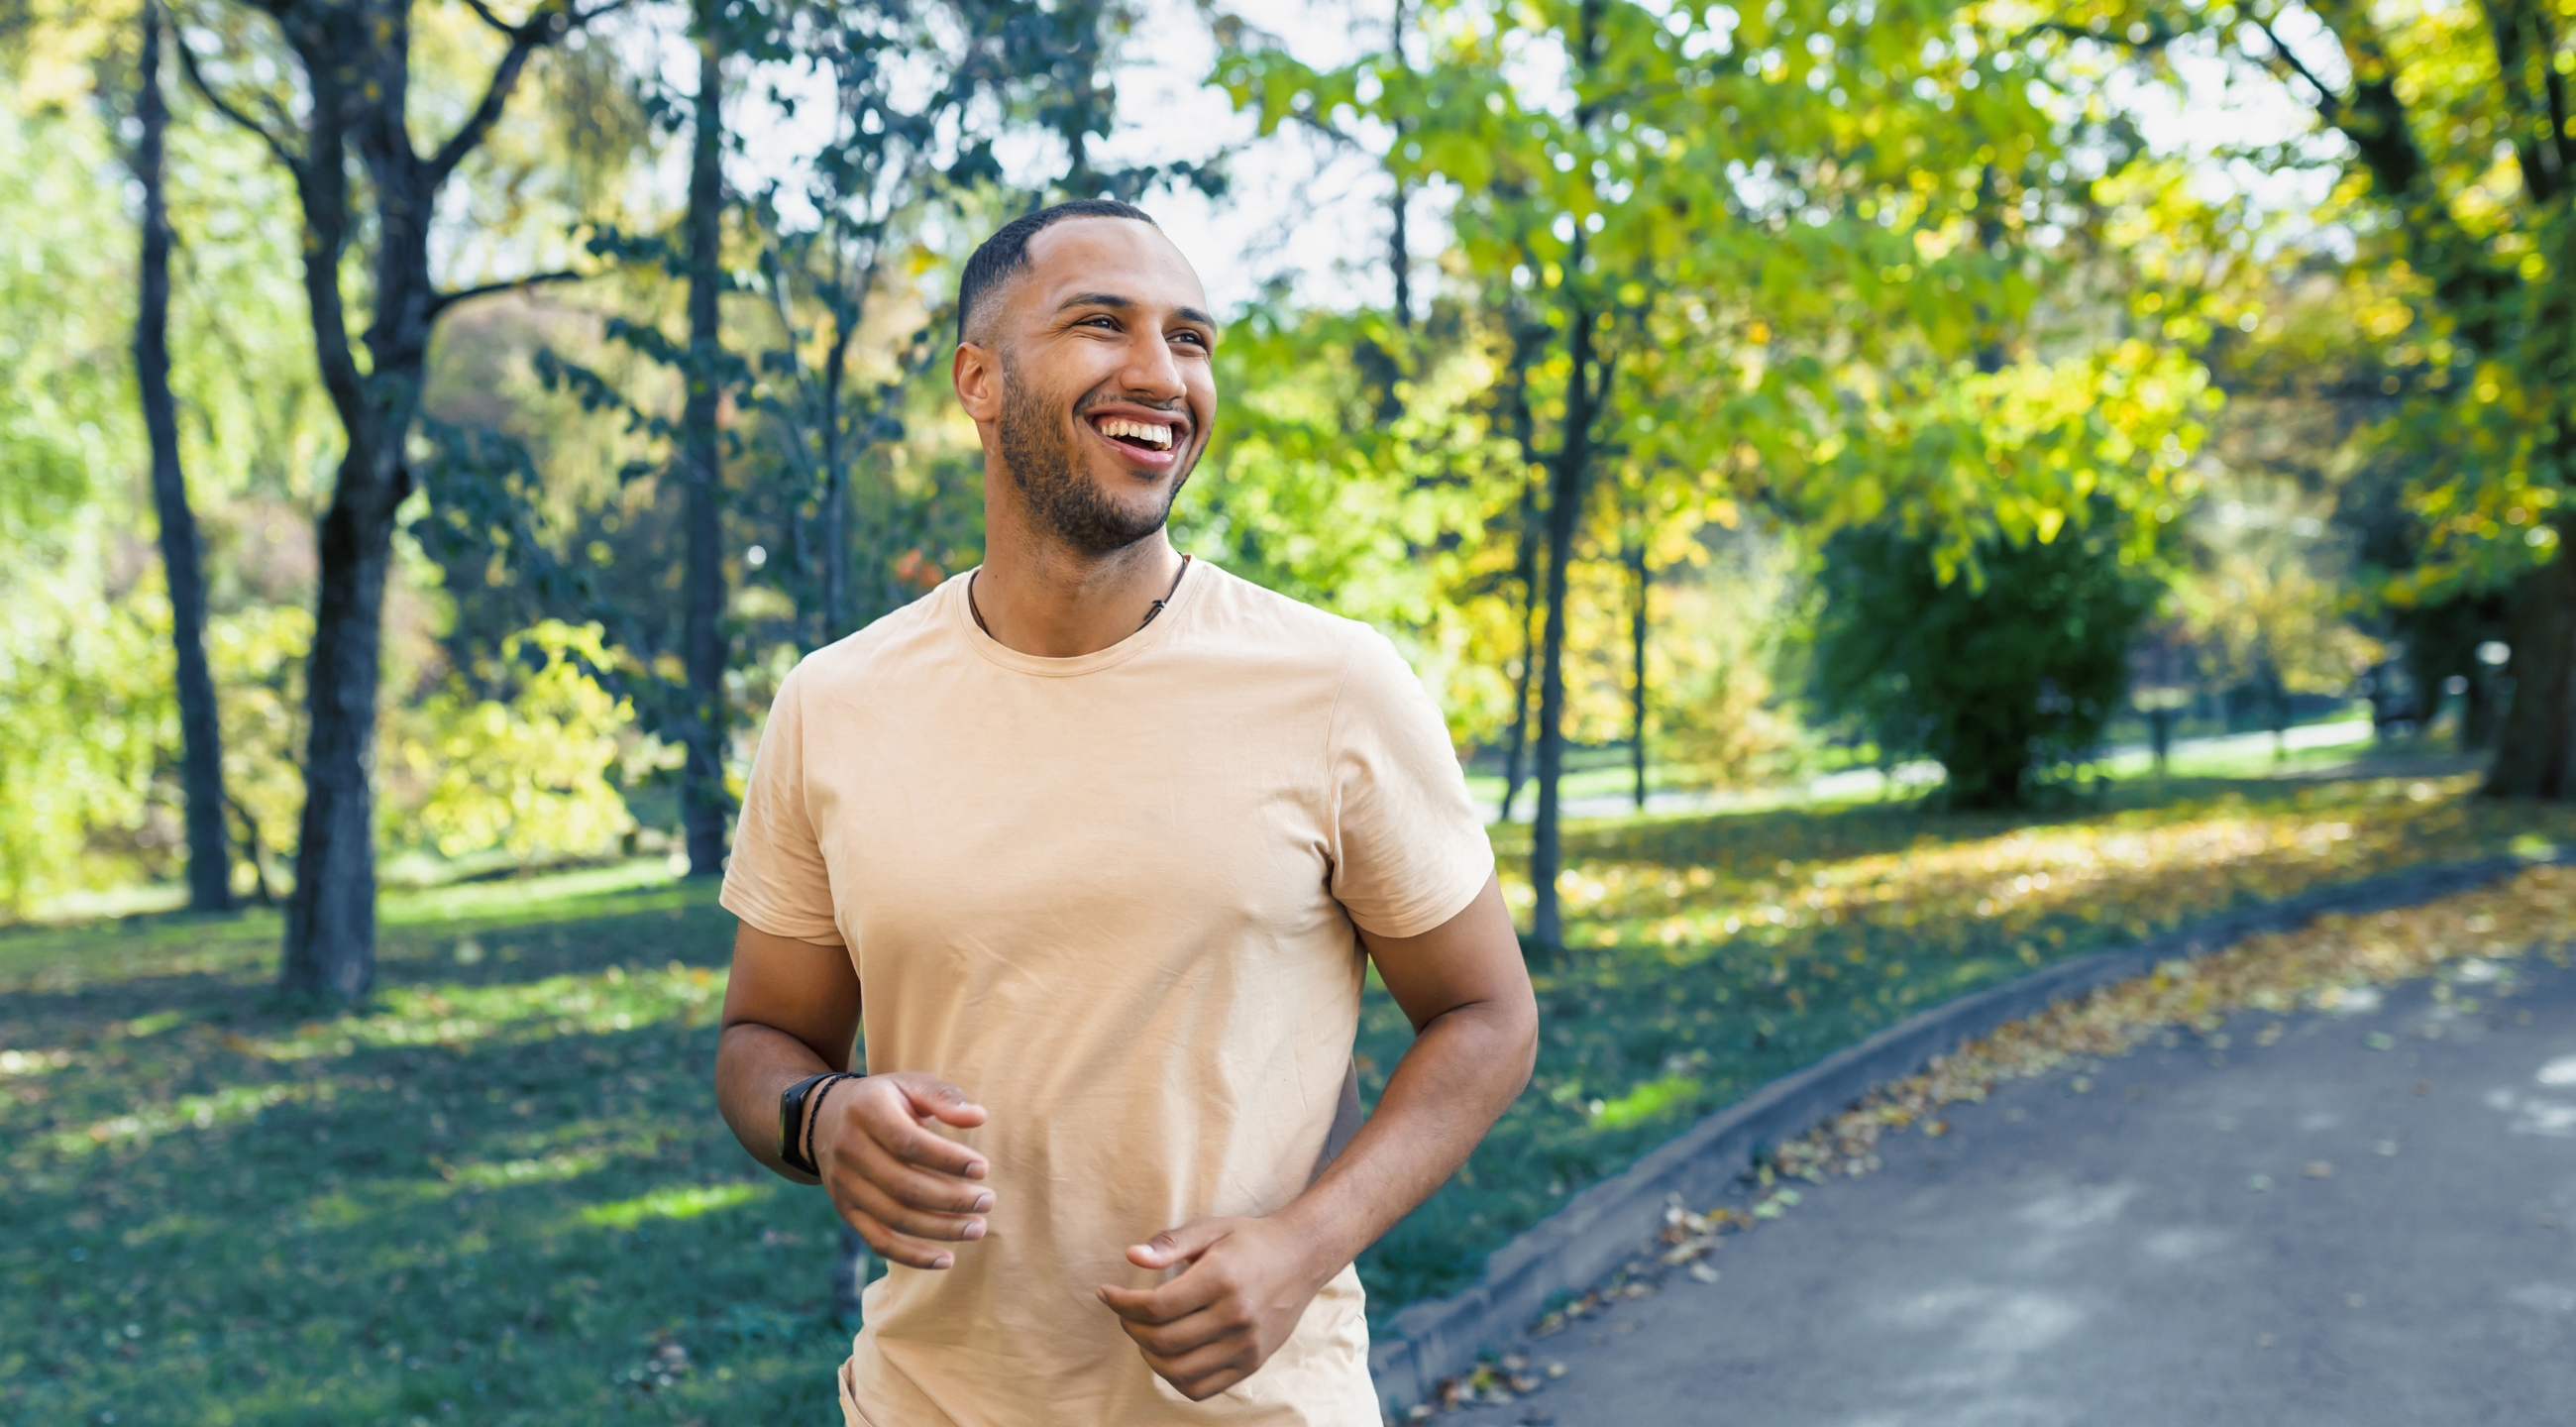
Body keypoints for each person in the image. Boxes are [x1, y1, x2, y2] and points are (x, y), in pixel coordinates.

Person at [711, 197, 1538, 1425]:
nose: (1160, 374)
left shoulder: (1332, 684)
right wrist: (820, 1117)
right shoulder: (833, 703)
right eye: (1103, 325)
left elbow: (1486, 1017)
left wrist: (1302, 1246)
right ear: (978, 381)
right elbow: (759, 1041)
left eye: (1190, 339)